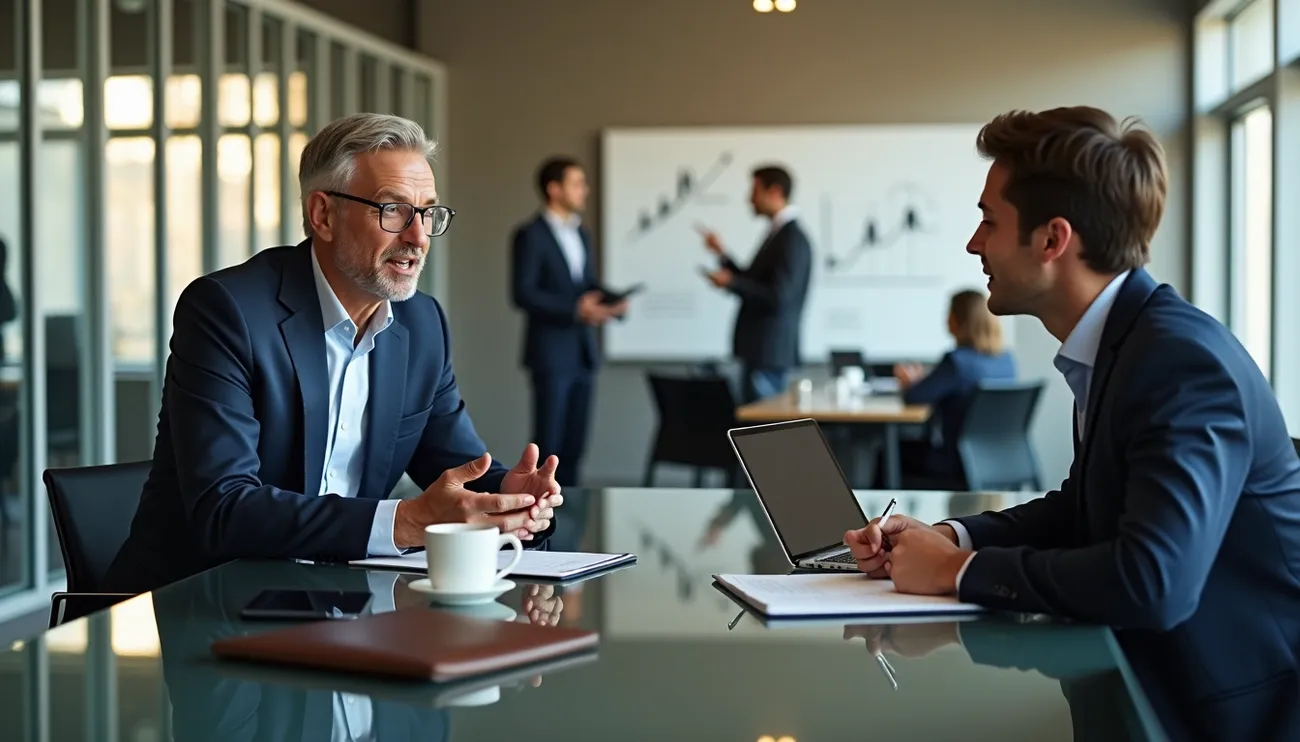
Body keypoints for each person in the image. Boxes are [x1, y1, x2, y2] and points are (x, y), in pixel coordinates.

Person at [843, 106, 1300, 740]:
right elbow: (1082, 506)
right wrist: (951, 537)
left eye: (989, 221)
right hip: (1138, 686)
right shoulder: (1123, 342)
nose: (974, 244)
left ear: (1053, 240)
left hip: (1215, 715)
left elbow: (1153, 582)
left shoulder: (1179, 362)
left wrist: (957, 574)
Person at [105, 113, 563, 594]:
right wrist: (403, 522)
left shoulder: (421, 324)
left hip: (336, 604)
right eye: (392, 211)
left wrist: (509, 499)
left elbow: (460, 476)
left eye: (427, 212)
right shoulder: (227, 311)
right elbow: (225, 509)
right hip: (201, 609)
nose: (418, 237)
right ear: (323, 214)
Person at [510, 157, 626, 488]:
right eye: (578, 183)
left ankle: (571, 523)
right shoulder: (529, 235)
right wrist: (575, 310)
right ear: (554, 188)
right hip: (550, 353)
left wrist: (613, 302)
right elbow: (523, 293)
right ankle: (541, 524)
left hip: (583, 351)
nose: (585, 190)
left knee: (575, 447)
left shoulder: (581, 233)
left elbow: (585, 283)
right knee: (550, 447)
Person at [698, 165, 812, 403]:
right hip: (761, 354)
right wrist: (723, 256)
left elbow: (778, 296)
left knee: (763, 435)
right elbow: (753, 281)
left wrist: (732, 282)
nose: (750, 199)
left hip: (768, 355)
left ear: (775, 191)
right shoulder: (778, 235)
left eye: (755, 191)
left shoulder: (791, 239)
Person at [894, 289, 1016, 484]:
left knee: (890, 453)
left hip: (957, 461)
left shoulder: (956, 361)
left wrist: (910, 382)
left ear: (956, 319)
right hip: (1003, 458)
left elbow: (914, 397)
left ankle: (880, 513)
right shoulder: (1006, 359)